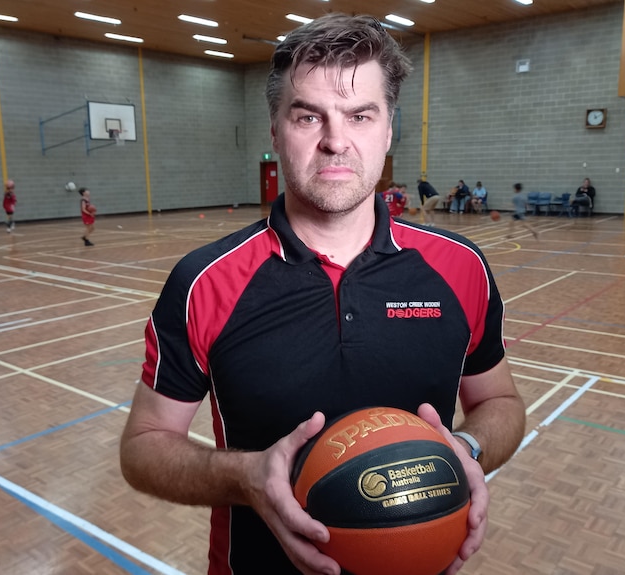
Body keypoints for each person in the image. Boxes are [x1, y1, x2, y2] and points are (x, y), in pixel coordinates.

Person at [120, 13, 525, 575]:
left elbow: (500, 403)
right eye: (309, 115)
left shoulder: (461, 268)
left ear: (388, 130)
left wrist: (468, 450)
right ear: (276, 131)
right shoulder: (204, 281)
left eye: (361, 115)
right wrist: (245, 476)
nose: (336, 140)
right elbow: (143, 446)